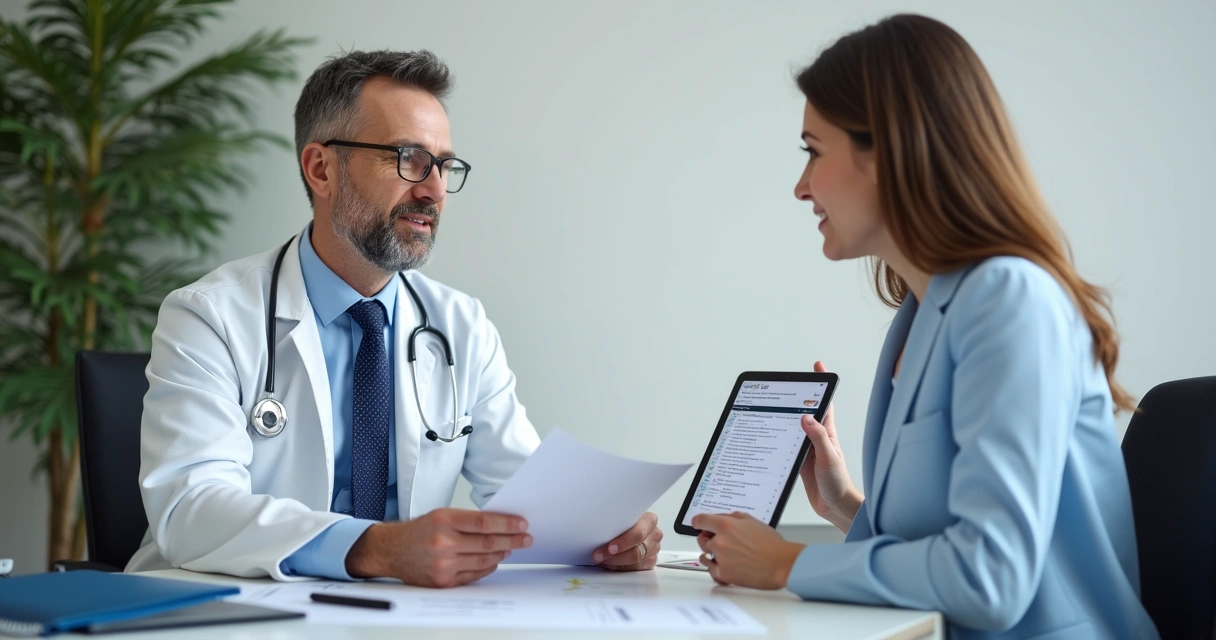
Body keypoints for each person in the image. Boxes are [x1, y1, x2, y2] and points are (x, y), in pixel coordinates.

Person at [691, 15, 1158, 639]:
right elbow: (944, 549)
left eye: (813, 151)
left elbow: (990, 579)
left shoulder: (1010, 299)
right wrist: (845, 507)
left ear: (887, 150)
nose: (801, 187)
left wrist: (790, 564)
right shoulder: (919, 311)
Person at [128, 50, 661, 587]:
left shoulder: (460, 324)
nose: (432, 190)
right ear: (321, 169)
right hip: (233, 610)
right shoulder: (209, 316)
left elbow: (523, 495)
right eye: (408, 158)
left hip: (400, 614)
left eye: (444, 166)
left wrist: (602, 534)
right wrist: (375, 549)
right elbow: (191, 510)